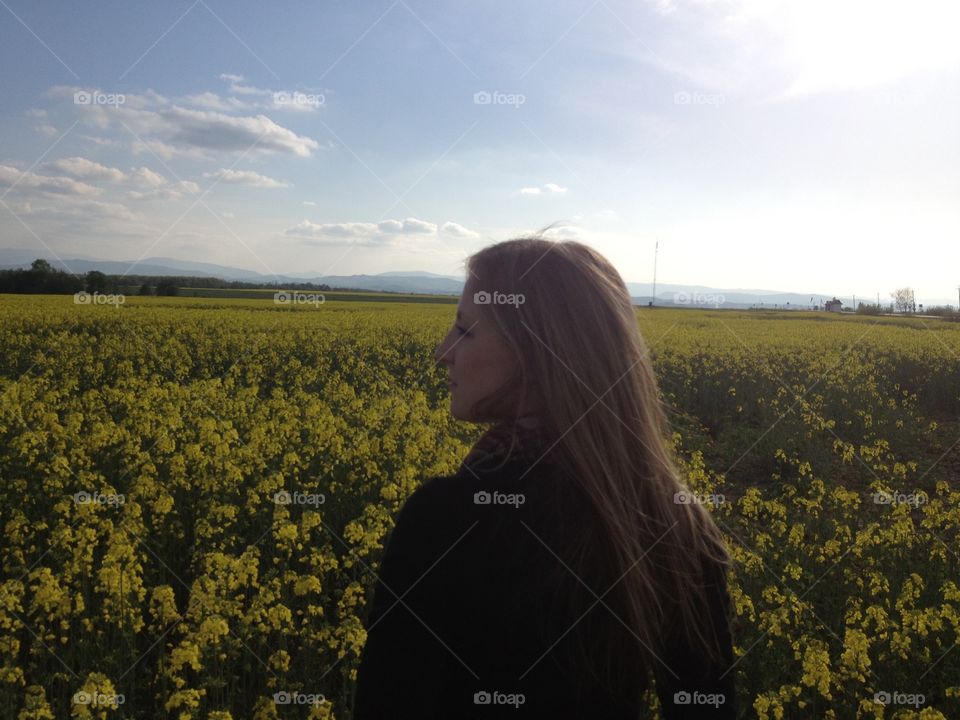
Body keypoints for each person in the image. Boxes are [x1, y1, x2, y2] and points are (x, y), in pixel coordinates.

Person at [352, 235, 738, 718]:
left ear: (536, 353)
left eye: (466, 331)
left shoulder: (446, 522)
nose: (442, 352)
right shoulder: (676, 523)